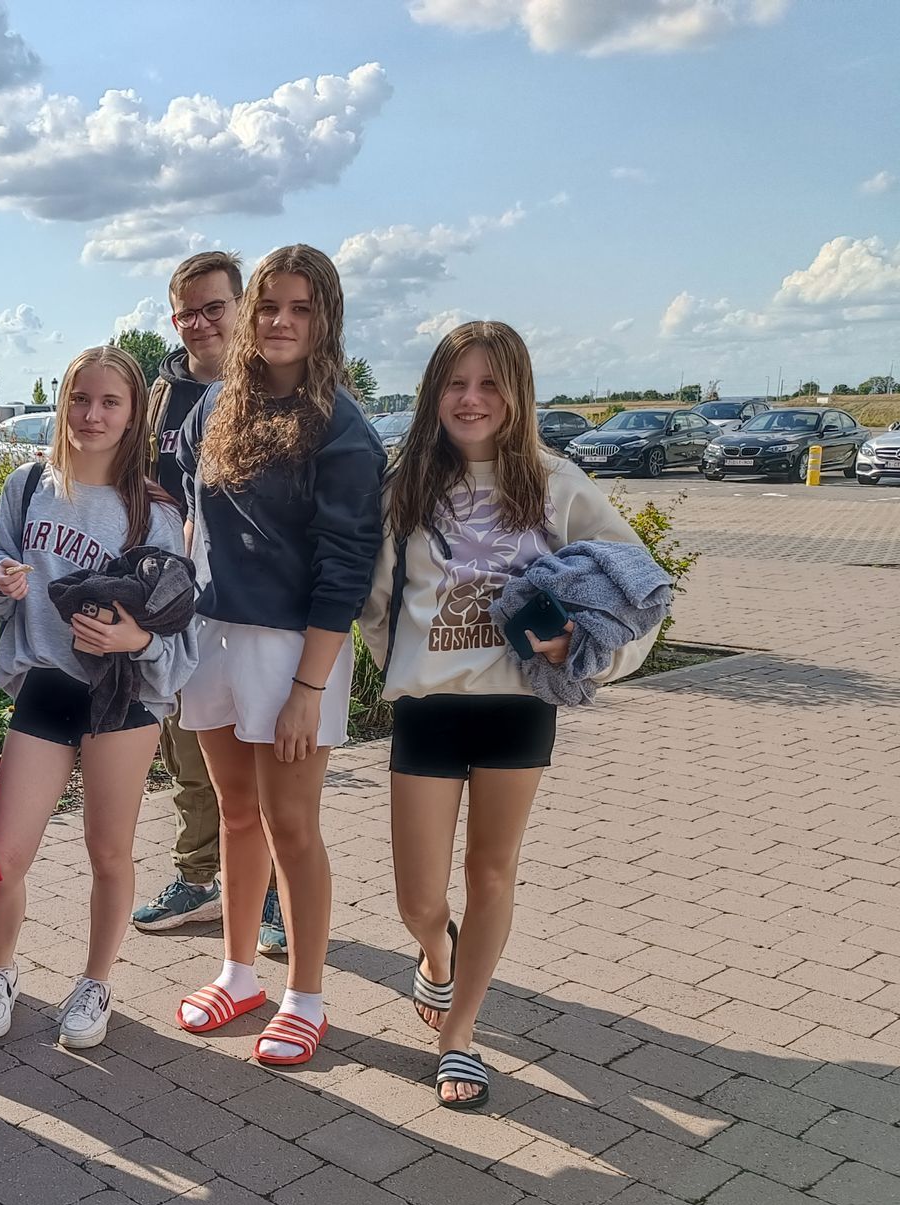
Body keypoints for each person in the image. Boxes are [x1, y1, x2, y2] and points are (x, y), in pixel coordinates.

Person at [359, 321, 656, 1108]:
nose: (472, 399)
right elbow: (378, 604)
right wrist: (405, 666)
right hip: (430, 707)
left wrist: (583, 652)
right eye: (457, 383)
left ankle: (459, 1036)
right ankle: (436, 953)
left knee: (490, 872)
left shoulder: (557, 484)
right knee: (418, 898)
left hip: (518, 708)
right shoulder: (406, 486)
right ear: (435, 393)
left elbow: (641, 592)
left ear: (517, 393)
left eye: (490, 383)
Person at [171, 244, 385, 1065]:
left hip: (295, 649)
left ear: (326, 317)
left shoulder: (342, 427)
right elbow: (188, 509)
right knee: (235, 813)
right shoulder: (216, 406)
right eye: (268, 306)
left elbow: (346, 568)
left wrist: (308, 688)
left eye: (301, 308)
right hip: (213, 638)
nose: (281, 322)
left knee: (291, 824)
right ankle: (237, 974)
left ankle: (305, 995)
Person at [0, 346, 197, 1049]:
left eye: (109, 403)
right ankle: (0, 970)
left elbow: (178, 636)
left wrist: (136, 641)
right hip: (47, 685)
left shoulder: (154, 514)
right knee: (4, 855)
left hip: (124, 698)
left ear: (133, 416)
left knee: (109, 850)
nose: (91, 415)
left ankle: (96, 981)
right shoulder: (28, 486)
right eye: (79, 398)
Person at [131, 254, 287, 952]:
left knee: (262, 756)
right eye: (185, 313)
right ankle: (199, 878)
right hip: (176, 602)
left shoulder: (272, 389)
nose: (199, 324)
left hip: (254, 608)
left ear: (242, 306)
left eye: (213, 308)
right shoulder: (162, 395)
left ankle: (275, 892)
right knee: (188, 750)